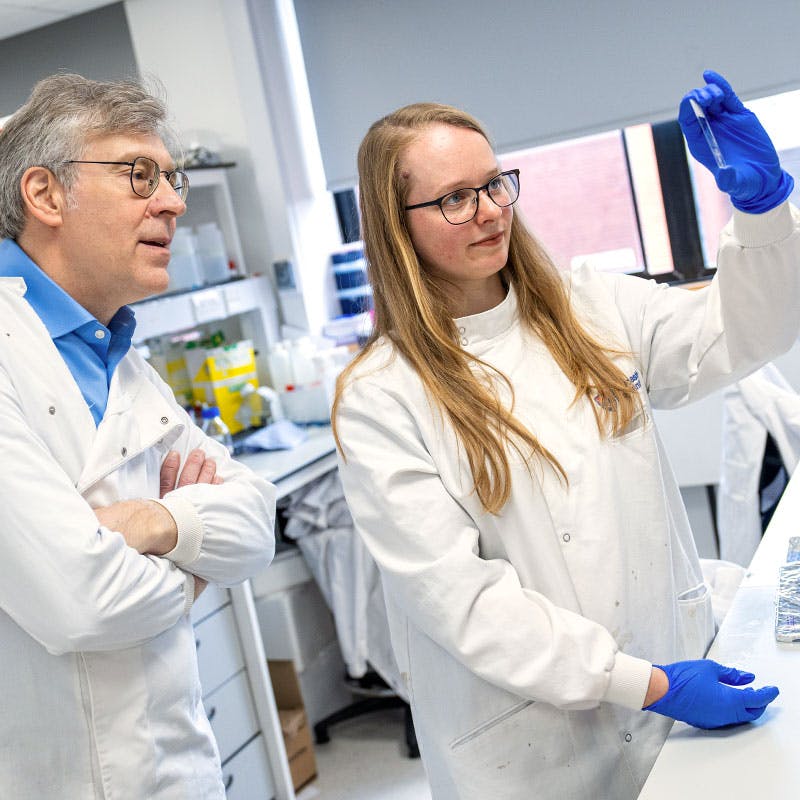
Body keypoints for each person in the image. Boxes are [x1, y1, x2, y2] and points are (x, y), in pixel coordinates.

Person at [331, 70, 799, 799]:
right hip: (530, 751)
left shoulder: (591, 306)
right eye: (454, 198)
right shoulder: (381, 396)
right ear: (398, 224)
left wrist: (763, 210)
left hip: (670, 697)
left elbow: (742, 333)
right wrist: (641, 683)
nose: (488, 211)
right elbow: (464, 601)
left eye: (493, 184)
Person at [0, 74, 276, 799]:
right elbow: (81, 601)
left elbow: (253, 523)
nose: (175, 202)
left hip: (177, 769)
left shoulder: (121, 361)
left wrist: (155, 520)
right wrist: (194, 561)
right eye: (139, 175)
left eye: (172, 177)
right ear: (46, 194)